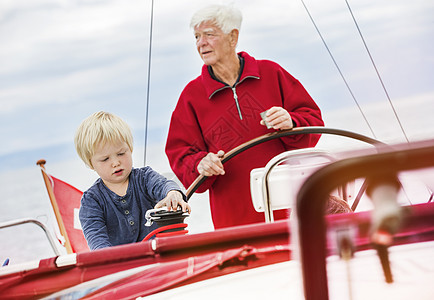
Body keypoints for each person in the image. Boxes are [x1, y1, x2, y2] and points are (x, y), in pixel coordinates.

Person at [165, 4, 324, 229]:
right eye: (197, 37)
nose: (201, 43)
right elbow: (179, 154)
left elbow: (314, 121)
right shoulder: (191, 96)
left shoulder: (271, 73)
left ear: (233, 37)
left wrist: (292, 122)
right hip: (234, 224)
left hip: (292, 212)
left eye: (209, 35)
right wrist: (200, 162)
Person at [75, 111, 190, 250]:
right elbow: (97, 242)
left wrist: (173, 193)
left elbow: (163, 185)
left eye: (121, 153)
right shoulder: (91, 201)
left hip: (161, 256)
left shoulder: (145, 177)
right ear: (91, 164)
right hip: (123, 267)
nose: (116, 162)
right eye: (105, 159)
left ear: (130, 149)